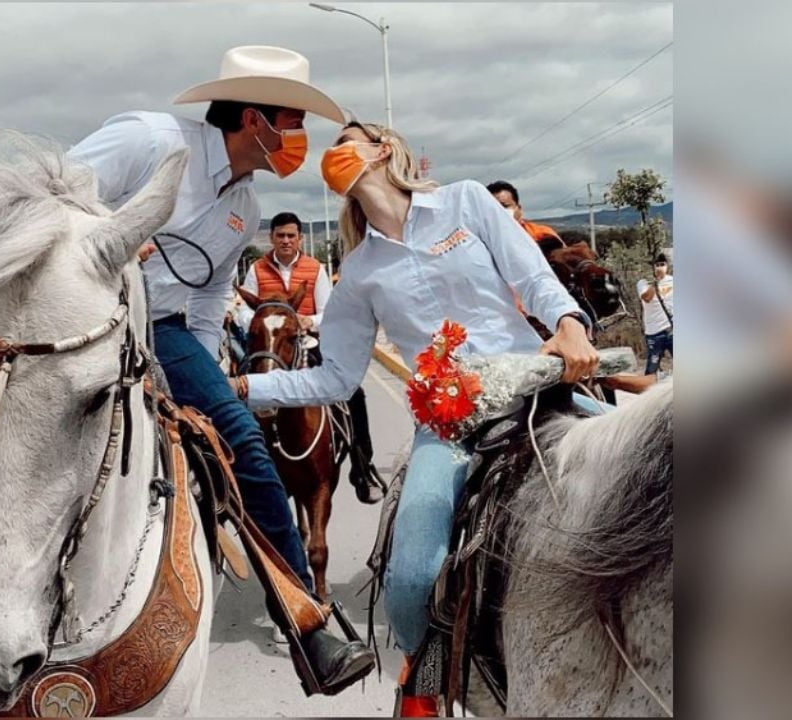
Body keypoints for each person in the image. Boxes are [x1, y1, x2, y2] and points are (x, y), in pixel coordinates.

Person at [231, 121, 598, 715]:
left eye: (348, 137)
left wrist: (569, 324)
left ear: (384, 149)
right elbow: (334, 379)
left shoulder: (466, 201)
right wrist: (242, 386)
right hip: (449, 428)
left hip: (535, 389)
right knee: (409, 580)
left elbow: (532, 276)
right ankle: (422, 682)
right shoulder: (359, 275)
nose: (335, 150)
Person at [66, 45, 373, 696]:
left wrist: (210, 385)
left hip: (167, 334)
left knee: (247, 452)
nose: (298, 141)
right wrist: (107, 234)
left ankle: (304, 620)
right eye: (293, 123)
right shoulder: (148, 140)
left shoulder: (249, 210)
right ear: (255, 120)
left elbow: (206, 303)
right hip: (78, 313)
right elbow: (54, 200)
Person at [239, 211, 385, 504]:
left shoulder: (315, 268)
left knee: (353, 394)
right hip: (268, 347)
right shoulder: (256, 269)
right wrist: (260, 323)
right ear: (272, 238)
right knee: (233, 393)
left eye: (291, 236)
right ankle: (230, 470)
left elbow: (329, 309)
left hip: (307, 346)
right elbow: (243, 309)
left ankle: (362, 467)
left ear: (300, 239)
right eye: (280, 235)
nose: (285, 241)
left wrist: (308, 322)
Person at [487, 180, 563, 245]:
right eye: (494, 208)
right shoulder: (483, 240)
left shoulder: (542, 234)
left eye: (505, 206)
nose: (500, 211)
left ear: (519, 208)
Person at [638, 252, 674, 375]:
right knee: (652, 367)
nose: (660, 267)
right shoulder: (643, 283)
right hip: (654, 333)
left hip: (671, 330)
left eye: (662, 264)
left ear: (667, 266)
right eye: (657, 265)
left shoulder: (672, 281)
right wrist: (656, 281)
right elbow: (646, 298)